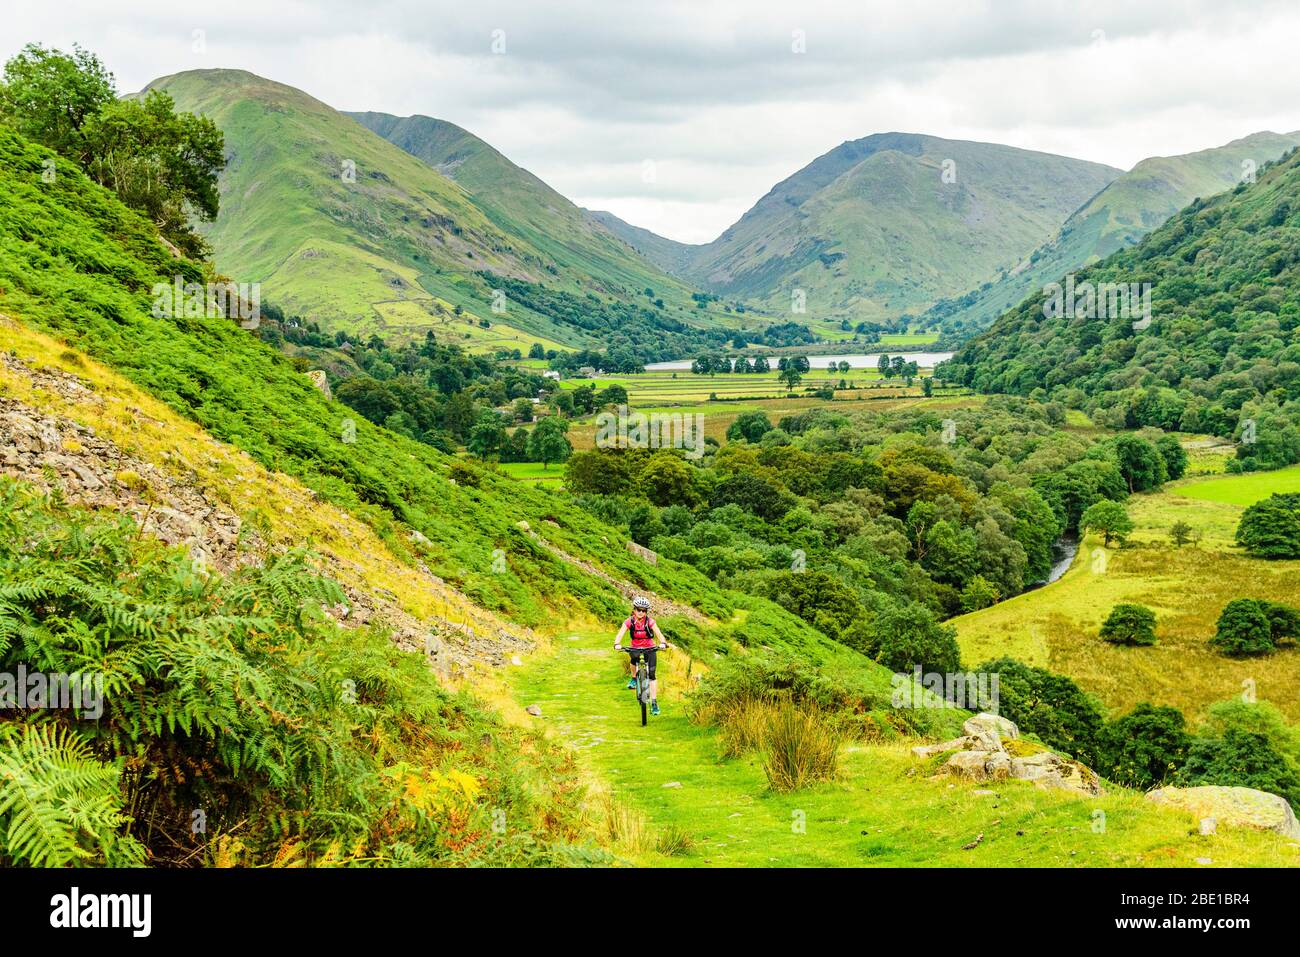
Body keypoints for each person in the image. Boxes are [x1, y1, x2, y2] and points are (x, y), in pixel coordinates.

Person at [613, 595, 670, 716]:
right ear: (634, 610)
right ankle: (634, 678)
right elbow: (620, 633)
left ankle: (654, 703)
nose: (641, 612)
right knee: (633, 658)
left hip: (649, 647)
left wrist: (663, 643)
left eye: (644, 610)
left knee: (652, 675)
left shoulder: (650, 621)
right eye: (638, 609)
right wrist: (617, 643)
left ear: (646, 611)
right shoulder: (629, 621)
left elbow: (659, 634)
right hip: (635, 647)